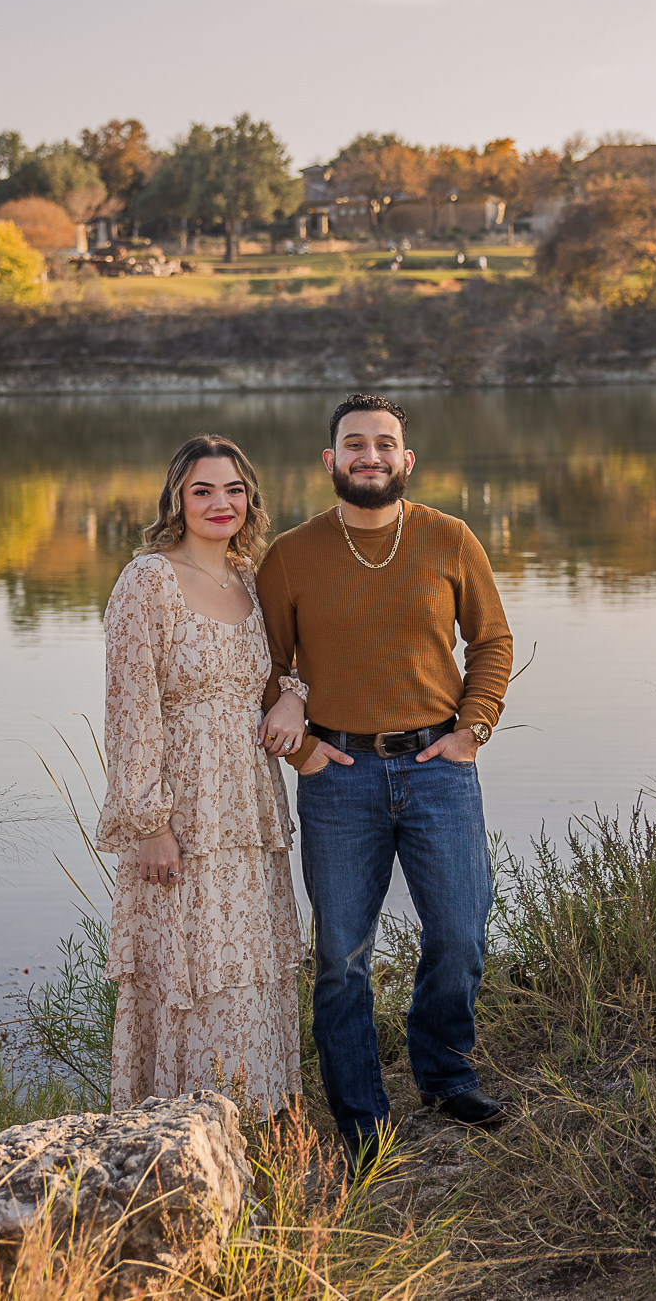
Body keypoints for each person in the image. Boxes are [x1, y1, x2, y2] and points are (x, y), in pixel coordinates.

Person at [256, 393, 514, 1163]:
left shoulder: (451, 538)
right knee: (340, 955)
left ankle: (443, 1071)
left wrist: (475, 727)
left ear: (407, 460)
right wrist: (299, 748)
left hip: (438, 768)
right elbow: (261, 667)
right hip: (338, 776)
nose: (370, 455)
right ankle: (362, 1115)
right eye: (354, 444)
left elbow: (492, 640)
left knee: (462, 933)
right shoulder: (292, 556)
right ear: (330, 461)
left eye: (384, 443)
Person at [95, 434, 302, 1115]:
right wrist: (148, 825)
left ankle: (256, 1118)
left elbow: (281, 672)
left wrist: (295, 694)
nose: (221, 502)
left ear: (251, 499)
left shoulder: (249, 578)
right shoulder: (147, 579)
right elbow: (131, 708)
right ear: (177, 500)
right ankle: (177, 1126)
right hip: (182, 813)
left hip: (248, 807)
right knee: (188, 969)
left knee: (247, 967)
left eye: (234, 489)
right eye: (203, 490)